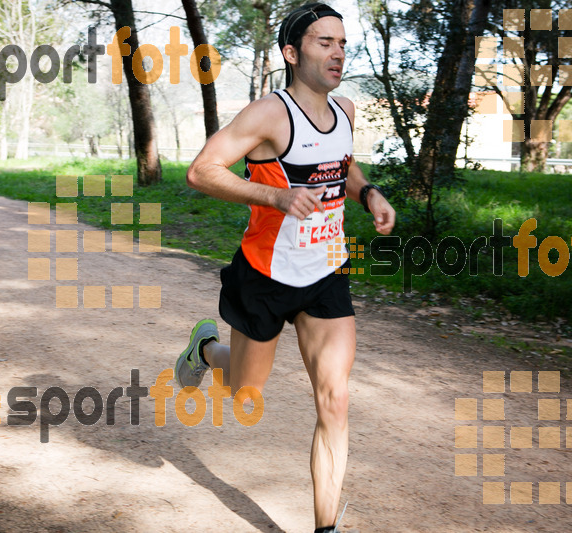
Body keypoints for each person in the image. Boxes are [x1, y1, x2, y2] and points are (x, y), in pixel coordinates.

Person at [174, 4, 395, 531]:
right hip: (265, 274)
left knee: (335, 399)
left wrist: (368, 194)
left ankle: (326, 528)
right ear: (293, 53)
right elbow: (201, 171)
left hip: (325, 273)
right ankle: (206, 349)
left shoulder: (345, 109)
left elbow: (343, 164)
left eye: (342, 42)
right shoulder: (268, 115)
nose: (338, 53)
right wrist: (273, 197)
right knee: (246, 388)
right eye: (324, 43)